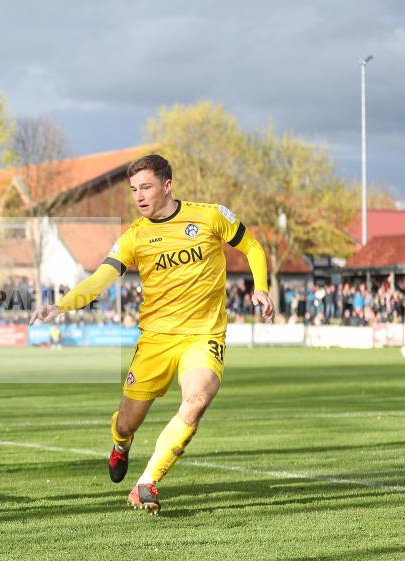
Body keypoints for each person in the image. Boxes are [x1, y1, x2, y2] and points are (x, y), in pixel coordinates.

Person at [30, 154, 274, 515]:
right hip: (155, 341)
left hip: (202, 335)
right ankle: (120, 443)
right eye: (133, 190)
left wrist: (261, 287)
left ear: (167, 185)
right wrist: (61, 305)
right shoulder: (135, 236)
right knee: (128, 421)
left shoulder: (210, 216)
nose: (139, 196)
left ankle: (147, 482)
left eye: (146, 187)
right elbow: (101, 278)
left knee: (197, 400)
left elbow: (251, 246)